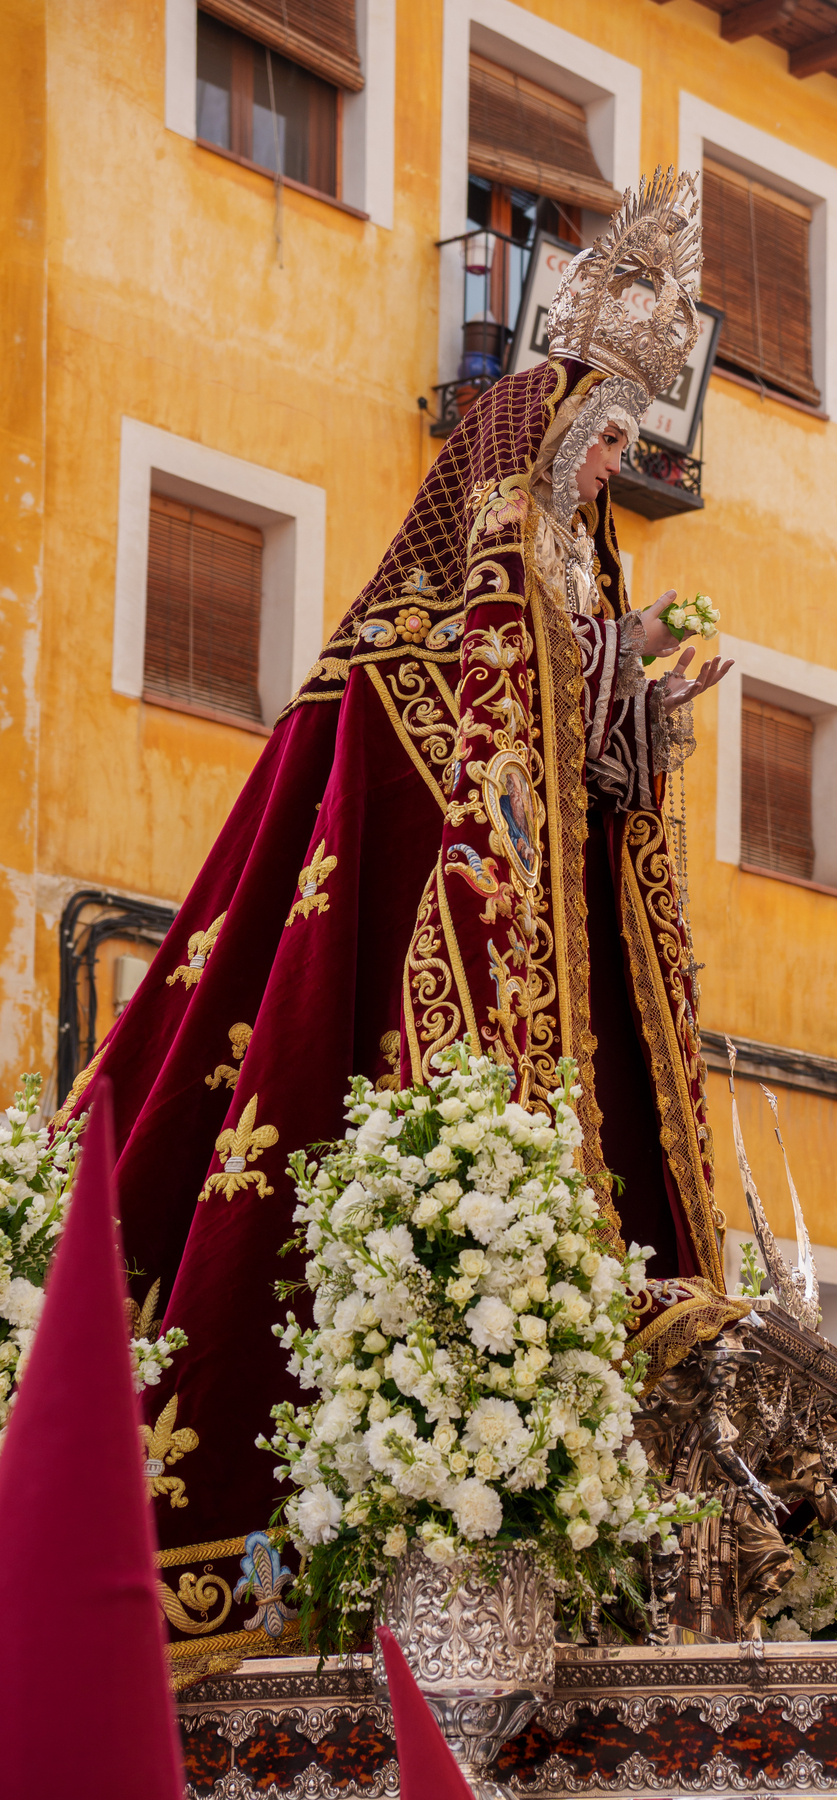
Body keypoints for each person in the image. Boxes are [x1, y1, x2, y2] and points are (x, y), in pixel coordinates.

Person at [52, 168, 751, 1677]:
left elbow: (581, 750)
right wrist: (584, 680)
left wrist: (643, 697)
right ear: (548, 422)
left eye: (634, 439)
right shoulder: (467, 583)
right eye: (608, 431)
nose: (620, 461)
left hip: (565, 929)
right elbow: (476, 715)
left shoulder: (586, 563)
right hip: (469, 921)